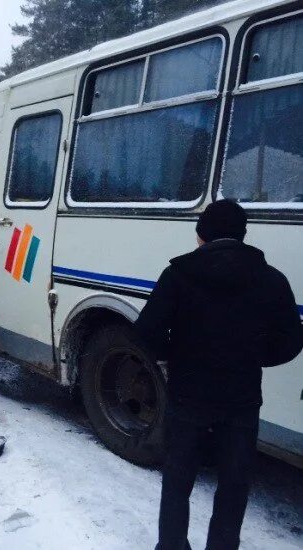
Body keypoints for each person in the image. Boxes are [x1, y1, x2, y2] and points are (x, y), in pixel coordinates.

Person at [134, 200, 302, 550]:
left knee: (178, 482)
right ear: (242, 234)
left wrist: (174, 356)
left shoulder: (178, 275)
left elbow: (146, 332)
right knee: (234, 486)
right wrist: (253, 358)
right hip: (241, 400)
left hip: (187, 396)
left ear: (202, 236)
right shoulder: (271, 279)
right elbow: (291, 340)